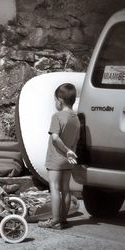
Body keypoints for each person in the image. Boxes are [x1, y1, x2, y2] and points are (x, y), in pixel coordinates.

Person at [38, 83, 80, 229]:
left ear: (60, 100)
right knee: (66, 189)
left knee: (55, 188)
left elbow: (55, 138)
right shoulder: (76, 118)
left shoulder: (57, 116)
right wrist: (70, 153)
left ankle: (54, 219)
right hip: (68, 159)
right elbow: (76, 140)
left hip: (56, 157)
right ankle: (63, 220)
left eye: (55, 100)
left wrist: (66, 150)